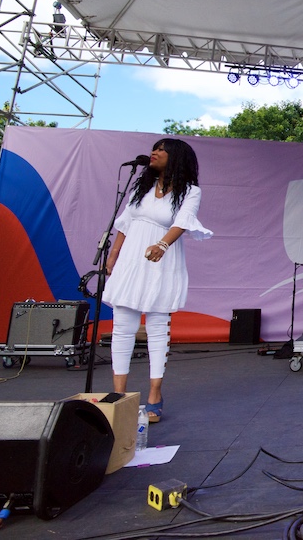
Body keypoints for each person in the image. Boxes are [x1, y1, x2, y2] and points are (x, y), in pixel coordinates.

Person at [103, 139, 212, 423]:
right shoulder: (141, 187)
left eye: (162, 149)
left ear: (176, 158)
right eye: (155, 148)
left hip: (161, 260)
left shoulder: (190, 191)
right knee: (122, 327)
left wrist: (162, 245)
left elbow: (183, 221)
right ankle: (119, 395)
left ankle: (154, 393)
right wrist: (114, 254)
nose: (155, 152)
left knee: (156, 327)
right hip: (131, 259)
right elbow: (126, 222)